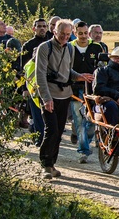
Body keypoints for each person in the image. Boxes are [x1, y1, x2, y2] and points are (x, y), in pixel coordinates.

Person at [35, 19, 93, 179]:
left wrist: (79, 77)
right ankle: (45, 165)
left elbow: (67, 71)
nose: (65, 37)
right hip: (49, 95)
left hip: (65, 95)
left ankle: (52, 164)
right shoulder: (44, 48)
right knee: (51, 130)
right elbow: (40, 75)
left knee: (59, 132)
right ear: (54, 32)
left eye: (68, 35)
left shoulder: (70, 48)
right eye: (62, 34)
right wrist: (46, 99)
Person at [69, 21, 104, 163]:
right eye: (80, 33)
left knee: (91, 119)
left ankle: (85, 142)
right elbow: (66, 67)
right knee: (78, 119)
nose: (83, 36)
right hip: (75, 88)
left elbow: (102, 67)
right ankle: (83, 150)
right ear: (74, 33)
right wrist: (78, 75)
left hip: (92, 89)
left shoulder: (96, 47)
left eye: (85, 33)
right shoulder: (69, 47)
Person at [21, 19, 49, 146]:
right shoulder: (28, 45)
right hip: (33, 85)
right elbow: (24, 69)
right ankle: (39, 137)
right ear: (34, 28)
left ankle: (47, 137)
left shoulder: (51, 43)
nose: (42, 28)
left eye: (44, 26)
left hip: (49, 83)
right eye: (39, 26)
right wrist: (24, 89)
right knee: (36, 113)